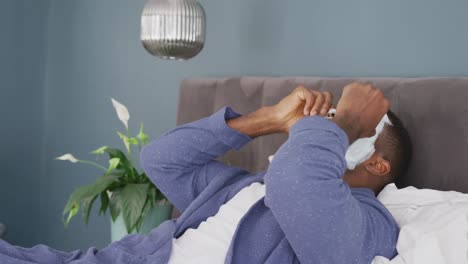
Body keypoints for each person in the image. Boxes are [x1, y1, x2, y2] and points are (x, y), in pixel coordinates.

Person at [0, 82, 412, 264]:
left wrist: (345, 124)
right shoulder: (243, 188)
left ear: (377, 164)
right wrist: (267, 118)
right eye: (335, 118)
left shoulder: (371, 224)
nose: (332, 121)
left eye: (351, 125)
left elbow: (299, 186)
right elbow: (160, 160)